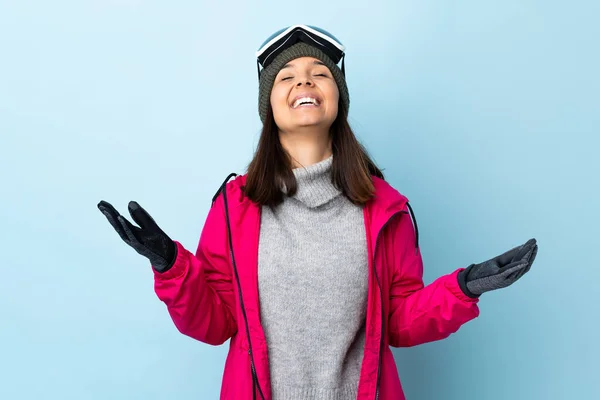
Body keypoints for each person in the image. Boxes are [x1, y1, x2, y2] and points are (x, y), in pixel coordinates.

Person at [97, 24, 539, 400]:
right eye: (286, 77)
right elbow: (215, 323)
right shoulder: (234, 206)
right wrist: (172, 267)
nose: (304, 83)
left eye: (319, 74)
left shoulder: (387, 209)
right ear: (269, 105)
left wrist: (461, 290)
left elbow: (399, 322)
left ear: (338, 98)